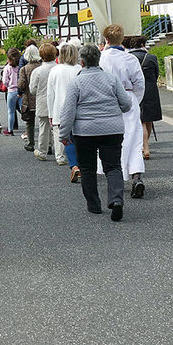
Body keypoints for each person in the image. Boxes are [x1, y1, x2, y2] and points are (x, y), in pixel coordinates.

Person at [58, 44, 133, 221]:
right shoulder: (111, 79)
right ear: (98, 59)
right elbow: (127, 104)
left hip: (85, 132)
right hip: (112, 129)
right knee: (113, 166)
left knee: (87, 168)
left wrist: (63, 135)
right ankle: (116, 200)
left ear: (81, 62)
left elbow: (68, 112)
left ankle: (94, 205)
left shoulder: (76, 82)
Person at [100, 24, 146, 199]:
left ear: (106, 40)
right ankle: (136, 177)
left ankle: (114, 177)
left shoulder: (101, 58)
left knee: (111, 140)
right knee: (134, 140)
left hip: (107, 101)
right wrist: (134, 100)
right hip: (128, 98)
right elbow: (140, 84)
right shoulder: (130, 59)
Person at [47, 42, 81, 180]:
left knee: (66, 139)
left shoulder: (55, 70)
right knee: (79, 138)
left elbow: (50, 94)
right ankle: (81, 164)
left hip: (60, 108)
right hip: (79, 108)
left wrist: (50, 113)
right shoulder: (80, 68)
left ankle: (74, 165)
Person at [126, 36, 162, 159]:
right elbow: (156, 74)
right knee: (148, 119)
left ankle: (144, 146)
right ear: (142, 44)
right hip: (151, 89)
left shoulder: (129, 58)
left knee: (140, 119)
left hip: (135, 90)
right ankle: (146, 145)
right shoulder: (151, 58)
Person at [30, 43, 58, 161]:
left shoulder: (37, 71)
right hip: (57, 101)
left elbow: (32, 90)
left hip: (42, 101)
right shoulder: (58, 68)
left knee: (43, 128)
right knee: (57, 128)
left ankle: (42, 151)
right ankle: (59, 153)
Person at [16, 45, 42, 149]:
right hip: (41, 98)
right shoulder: (42, 67)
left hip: (29, 99)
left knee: (30, 123)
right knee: (43, 124)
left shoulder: (24, 69)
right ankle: (46, 144)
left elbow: (21, 85)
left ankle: (31, 143)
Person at [0, 48, 21, 135]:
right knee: (23, 110)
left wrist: (8, 85)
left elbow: (5, 81)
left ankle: (10, 129)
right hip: (20, 91)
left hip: (11, 91)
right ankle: (28, 127)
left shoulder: (7, 68)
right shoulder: (20, 66)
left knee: (11, 111)